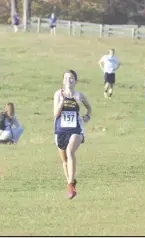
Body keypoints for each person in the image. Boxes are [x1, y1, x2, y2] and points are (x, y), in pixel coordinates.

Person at [53, 70, 92, 199]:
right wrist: (62, 101)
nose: (69, 80)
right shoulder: (58, 94)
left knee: (70, 151)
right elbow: (56, 114)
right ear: (63, 80)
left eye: (71, 78)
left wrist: (87, 116)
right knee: (64, 162)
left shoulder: (79, 95)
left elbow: (89, 107)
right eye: (66, 78)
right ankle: (71, 182)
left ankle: (70, 184)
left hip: (76, 130)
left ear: (75, 81)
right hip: (61, 130)